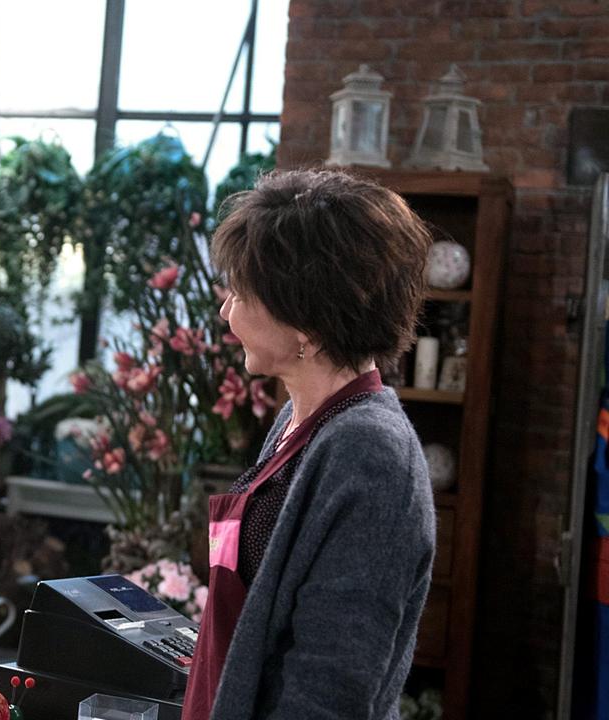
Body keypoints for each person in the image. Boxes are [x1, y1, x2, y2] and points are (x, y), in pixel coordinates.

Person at [181, 169, 436, 720]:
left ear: (309, 325)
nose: (227, 313)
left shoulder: (371, 455)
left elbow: (331, 681)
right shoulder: (299, 420)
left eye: (245, 295)